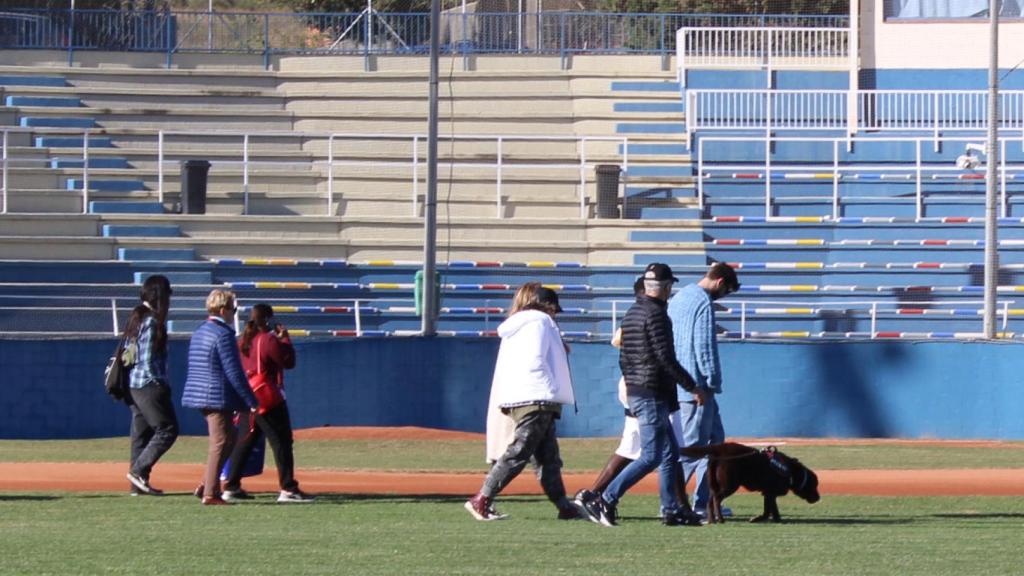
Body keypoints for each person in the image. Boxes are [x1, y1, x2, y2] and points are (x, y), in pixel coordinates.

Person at [581, 263, 704, 527]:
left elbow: (625, 358)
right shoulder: (657, 315)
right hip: (652, 392)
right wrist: (692, 386)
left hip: (640, 389)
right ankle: (605, 498)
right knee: (652, 455)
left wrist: (635, 386)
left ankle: (671, 509)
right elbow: (665, 358)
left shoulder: (633, 312)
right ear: (667, 287)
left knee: (670, 453)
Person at [465, 284, 581, 521]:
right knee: (520, 451)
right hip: (536, 397)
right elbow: (536, 358)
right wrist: (548, 388)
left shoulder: (519, 326)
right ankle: (482, 498)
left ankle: (563, 506)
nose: (556, 315)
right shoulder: (539, 322)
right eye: (554, 310)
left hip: (528, 396)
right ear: (547, 306)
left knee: (548, 457)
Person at [669, 261, 741, 520]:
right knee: (693, 448)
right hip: (697, 388)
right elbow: (704, 347)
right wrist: (711, 381)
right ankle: (673, 503)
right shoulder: (702, 302)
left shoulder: (680, 297)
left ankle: (704, 502)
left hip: (682, 384)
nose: (724, 297)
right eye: (727, 291)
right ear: (720, 282)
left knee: (715, 444)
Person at [221, 304, 314, 503]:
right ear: (267, 319)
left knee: (246, 441)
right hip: (267, 397)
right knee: (282, 442)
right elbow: (287, 362)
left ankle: (231, 486)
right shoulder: (268, 339)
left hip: (248, 396)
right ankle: (288, 488)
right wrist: (285, 339)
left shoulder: (243, 341)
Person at [182, 289, 260, 506]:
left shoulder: (200, 331)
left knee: (228, 439)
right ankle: (210, 493)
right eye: (233, 309)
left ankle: (207, 484)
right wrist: (251, 401)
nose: (233, 313)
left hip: (201, 393)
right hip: (216, 396)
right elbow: (234, 372)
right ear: (224, 309)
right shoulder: (223, 335)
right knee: (221, 441)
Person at [123, 274, 179, 496]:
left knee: (141, 434)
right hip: (148, 385)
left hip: (133, 385)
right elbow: (146, 359)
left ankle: (137, 485)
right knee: (168, 429)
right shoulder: (152, 320)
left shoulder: (137, 317)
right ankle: (138, 472)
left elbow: (129, 353)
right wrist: (158, 382)